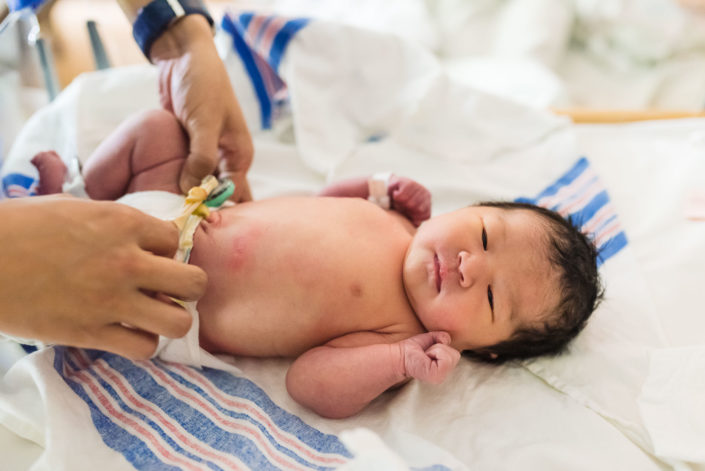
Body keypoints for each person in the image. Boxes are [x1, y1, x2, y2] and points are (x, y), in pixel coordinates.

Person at [31, 109, 603, 419]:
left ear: (484, 348)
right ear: (471, 207)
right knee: (157, 130)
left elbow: (311, 385)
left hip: (166, 295)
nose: (468, 267)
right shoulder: (395, 222)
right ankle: (80, 195)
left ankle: (54, 234)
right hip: (183, 207)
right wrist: (366, 187)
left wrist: (398, 361)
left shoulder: (398, 332)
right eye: (482, 234)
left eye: (492, 299)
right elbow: (312, 208)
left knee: (75, 278)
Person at [0, 0, 253, 359]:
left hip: (162, 200)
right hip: (148, 292)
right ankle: (66, 202)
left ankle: (76, 196)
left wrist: (177, 34)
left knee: (159, 129)